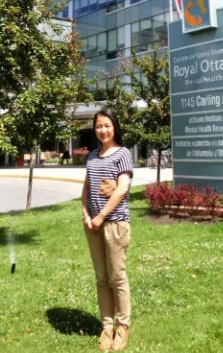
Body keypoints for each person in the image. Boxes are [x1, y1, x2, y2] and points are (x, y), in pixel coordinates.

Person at [82, 108, 133, 352]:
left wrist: (101, 216)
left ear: (115, 127)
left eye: (107, 125)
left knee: (117, 278)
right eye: (99, 126)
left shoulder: (123, 154)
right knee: (102, 279)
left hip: (114, 224)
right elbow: (86, 188)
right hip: (93, 225)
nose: (103, 130)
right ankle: (107, 327)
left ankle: (123, 327)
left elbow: (122, 188)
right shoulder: (92, 156)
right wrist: (86, 214)